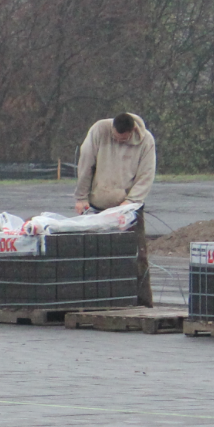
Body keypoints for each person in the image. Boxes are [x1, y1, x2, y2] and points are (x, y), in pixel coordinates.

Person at [73, 112, 157, 306]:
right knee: (96, 255)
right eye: (116, 138)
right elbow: (86, 163)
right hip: (97, 204)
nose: (119, 141)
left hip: (128, 208)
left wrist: (131, 202)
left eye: (124, 138)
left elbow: (146, 174)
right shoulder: (99, 130)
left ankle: (143, 303)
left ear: (132, 131)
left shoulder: (146, 141)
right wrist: (81, 197)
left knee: (137, 255)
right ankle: (99, 301)